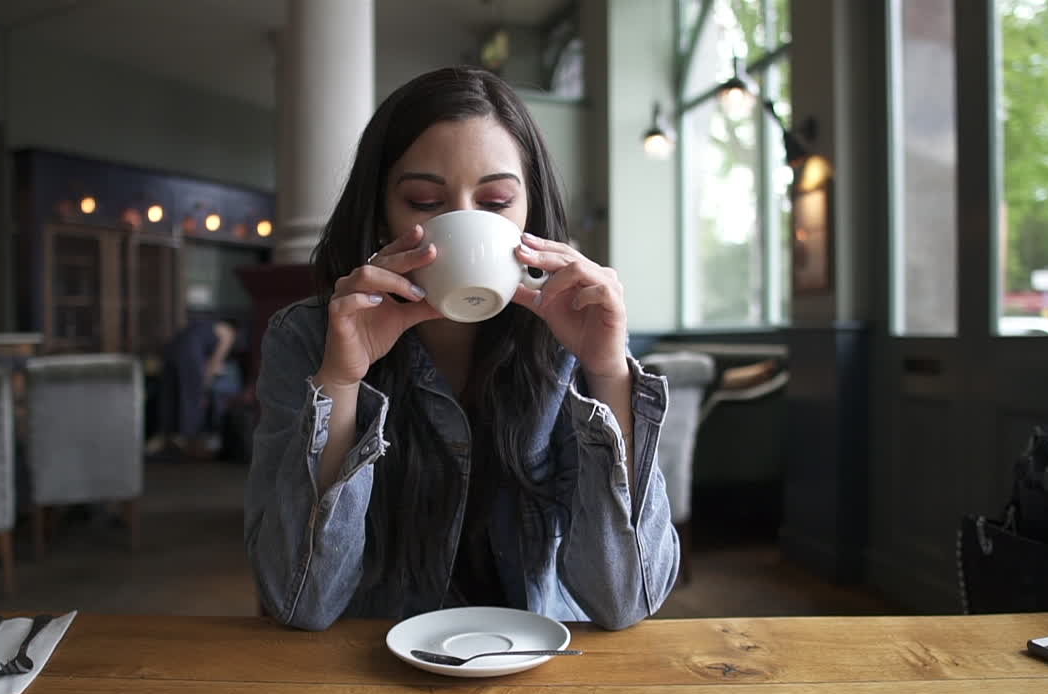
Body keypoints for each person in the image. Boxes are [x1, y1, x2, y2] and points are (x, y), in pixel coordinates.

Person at [245, 66, 679, 631]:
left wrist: (608, 371)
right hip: (372, 675)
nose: (462, 224)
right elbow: (299, 603)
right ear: (381, 216)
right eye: (424, 201)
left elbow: (624, 600)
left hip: (539, 672)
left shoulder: (570, 335)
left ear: (530, 215)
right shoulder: (308, 337)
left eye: (496, 202)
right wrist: (342, 381)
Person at [149, 317, 239, 459]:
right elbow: (216, 360)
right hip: (190, 351)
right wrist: (206, 382)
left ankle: (167, 438)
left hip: (172, 349)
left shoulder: (205, 324)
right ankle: (188, 442)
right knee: (192, 398)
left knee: (169, 396)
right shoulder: (228, 333)